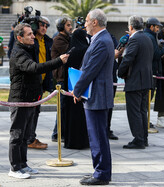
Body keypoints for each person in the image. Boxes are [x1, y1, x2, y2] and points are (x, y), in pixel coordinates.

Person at [8, 23, 69, 179]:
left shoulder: (29, 49)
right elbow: (34, 68)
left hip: (31, 99)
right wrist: (58, 61)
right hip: (20, 99)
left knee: (26, 134)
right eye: (29, 34)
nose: (33, 36)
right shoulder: (18, 53)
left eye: (32, 33)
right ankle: (14, 168)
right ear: (20, 37)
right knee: (17, 135)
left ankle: (23, 164)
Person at [73, 9, 114, 185]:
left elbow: (90, 69)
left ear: (95, 22)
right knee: (97, 136)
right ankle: (100, 170)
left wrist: (77, 90)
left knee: (97, 137)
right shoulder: (101, 39)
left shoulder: (102, 41)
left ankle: (102, 174)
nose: (85, 25)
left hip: (97, 96)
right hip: (95, 95)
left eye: (88, 21)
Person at [118, 15, 153, 149]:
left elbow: (128, 59)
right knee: (142, 111)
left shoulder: (135, 39)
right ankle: (143, 138)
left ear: (131, 27)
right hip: (146, 80)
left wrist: (120, 72)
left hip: (135, 80)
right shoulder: (147, 38)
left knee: (134, 112)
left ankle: (138, 139)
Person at [27, 16, 53, 150]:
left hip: (41, 82)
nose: (44, 28)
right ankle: (29, 138)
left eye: (46, 26)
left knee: (36, 111)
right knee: (30, 111)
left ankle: (30, 137)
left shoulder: (47, 41)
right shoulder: (30, 41)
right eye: (42, 25)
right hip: (31, 81)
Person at [144, 17, 164, 128]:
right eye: (157, 27)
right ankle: (145, 122)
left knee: (146, 99)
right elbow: (156, 54)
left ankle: (145, 121)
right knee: (147, 99)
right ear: (151, 26)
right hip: (152, 71)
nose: (158, 29)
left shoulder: (149, 35)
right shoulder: (151, 37)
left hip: (151, 70)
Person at [64, 29, 89, 149]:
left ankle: (71, 141)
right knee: (81, 115)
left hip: (70, 87)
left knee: (71, 115)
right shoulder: (85, 50)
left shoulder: (70, 51)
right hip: (82, 88)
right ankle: (82, 141)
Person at [51, 17, 73, 142]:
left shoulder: (67, 38)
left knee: (66, 107)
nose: (70, 27)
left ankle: (64, 132)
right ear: (61, 27)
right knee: (62, 107)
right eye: (68, 25)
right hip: (62, 78)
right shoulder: (58, 39)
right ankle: (57, 133)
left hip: (68, 76)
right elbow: (70, 52)